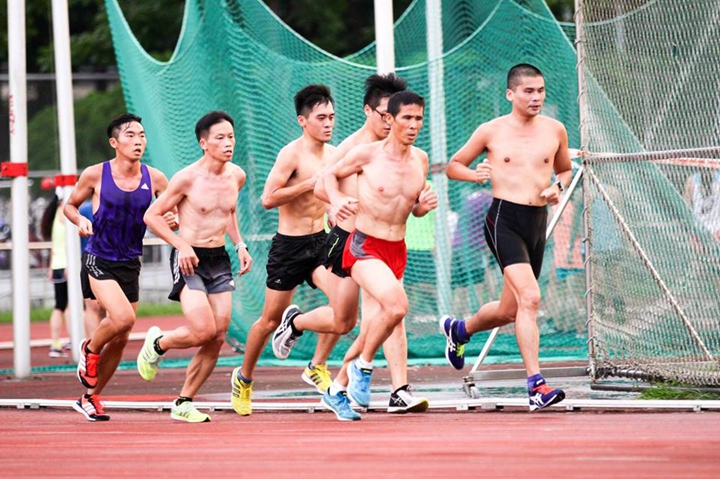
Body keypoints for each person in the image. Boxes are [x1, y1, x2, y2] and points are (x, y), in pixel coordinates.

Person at [272, 73, 428, 414]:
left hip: (388, 243)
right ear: (370, 112)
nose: (395, 122)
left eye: (405, 115)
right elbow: (320, 186)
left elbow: (409, 200)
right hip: (349, 239)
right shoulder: (354, 149)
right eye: (388, 114)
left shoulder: (413, 155)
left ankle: (395, 388)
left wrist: (419, 207)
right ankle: (299, 327)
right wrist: (337, 202)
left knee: (389, 312)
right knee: (347, 320)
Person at [440, 63, 572, 411]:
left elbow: (564, 169)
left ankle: (460, 330)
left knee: (508, 310)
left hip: (536, 221)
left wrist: (557, 188)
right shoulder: (491, 131)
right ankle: (536, 386)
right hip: (504, 220)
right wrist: (474, 175)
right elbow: (454, 165)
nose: (536, 97)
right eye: (529, 91)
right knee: (530, 297)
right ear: (510, 94)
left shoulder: (555, 129)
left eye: (541, 91)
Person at [320, 90, 438, 421]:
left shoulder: (421, 159)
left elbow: (408, 207)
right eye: (406, 118)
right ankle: (363, 366)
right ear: (390, 119)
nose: (413, 125)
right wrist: (335, 200)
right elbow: (327, 176)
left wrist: (420, 209)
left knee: (378, 320)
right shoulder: (367, 154)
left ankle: (337, 387)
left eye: (418, 118)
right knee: (397, 306)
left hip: (395, 248)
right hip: (363, 244)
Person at [137, 111, 252, 423]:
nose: (228, 143)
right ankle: (158, 343)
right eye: (220, 137)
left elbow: (226, 212)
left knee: (218, 336)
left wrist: (239, 244)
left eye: (231, 136)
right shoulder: (187, 178)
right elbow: (152, 215)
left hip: (219, 259)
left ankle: (183, 401)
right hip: (189, 258)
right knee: (203, 330)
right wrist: (181, 244)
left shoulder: (236, 175)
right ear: (204, 143)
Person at [230, 85, 339, 417]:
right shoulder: (291, 154)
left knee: (343, 308)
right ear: (303, 121)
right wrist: (309, 183)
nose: (328, 123)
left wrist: (335, 208)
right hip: (289, 246)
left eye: (332, 117)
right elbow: (267, 198)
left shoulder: (335, 154)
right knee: (267, 320)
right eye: (321, 117)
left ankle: (315, 361)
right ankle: (244, 378)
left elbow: (334, 195)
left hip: (321, 241)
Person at [63, 113, 173, 421]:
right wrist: (80, 219)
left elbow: (170, 211)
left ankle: (90, 397)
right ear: (114, 142)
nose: (138, 141)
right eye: (130, 136)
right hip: (99, 258)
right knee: (122, 318)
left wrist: (172, 218)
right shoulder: (96, 174)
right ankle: (90, 350)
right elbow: (69, 205)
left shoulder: (157, 178)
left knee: (123, 336)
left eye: (141, 135)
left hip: (130, 263)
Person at [40, 190, 69, 358]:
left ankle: (57, 342)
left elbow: (55, 245)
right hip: (66, 266)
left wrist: (52, 267)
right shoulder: (64, 213)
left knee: (61, 305)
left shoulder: (55, 213)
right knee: (66, 306)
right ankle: (64, 341)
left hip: (58, 265)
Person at [78, 199, 104, 338]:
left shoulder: (119, 204)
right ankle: (92, 348)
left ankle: (101, 344)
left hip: (114, 262)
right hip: (91, 260)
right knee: (93, 306)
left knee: (107, 309)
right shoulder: (84, 210)